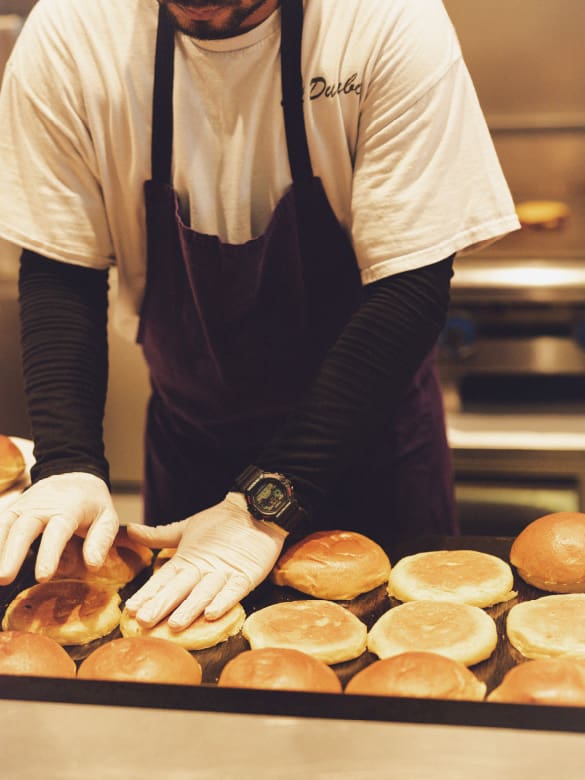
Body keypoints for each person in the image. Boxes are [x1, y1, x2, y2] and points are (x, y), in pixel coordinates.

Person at [0, 0, 519, 629]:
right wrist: (69, 461)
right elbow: (63, 263)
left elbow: (409, 288)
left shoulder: (385, 18)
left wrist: (269, 502)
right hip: (192, 445)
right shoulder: (73, 30)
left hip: (372, 450)